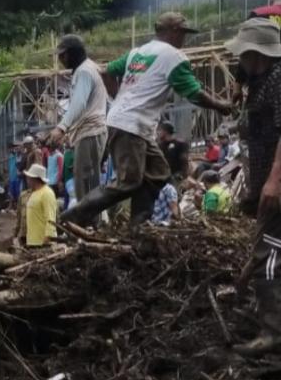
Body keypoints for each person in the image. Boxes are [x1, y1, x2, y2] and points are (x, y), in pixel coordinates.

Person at [61, 12, 232, 228]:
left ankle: (138, 224)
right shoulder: (174, 57)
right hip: (131, 126)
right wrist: (222, 106)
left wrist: (119, 99)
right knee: (129, 182)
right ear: (173, 31)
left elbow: (106, 71)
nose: (184, 40)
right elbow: (195, 93)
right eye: (183, 33)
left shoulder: (138, 52)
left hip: (129, 124)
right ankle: (75, 215)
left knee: (159, 173)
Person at [232, 19, 281, 353]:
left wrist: (275, 180)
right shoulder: (261, 79)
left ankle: (272, 331)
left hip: (277, 183)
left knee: (269, 254)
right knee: (269, 246)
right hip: (266, 181)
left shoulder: (277, 80)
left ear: (255, 53)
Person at [46, 35, 108, 219]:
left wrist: (62, 127)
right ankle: (95, 223)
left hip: (90, 132)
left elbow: (78, 104)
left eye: (63, 55)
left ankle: (91, 225)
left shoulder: (84, 71)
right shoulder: (90, 68)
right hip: (89, 132)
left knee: (86, 185)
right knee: (88, 184)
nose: (60, 59)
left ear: (73, 53)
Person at [23, 164, 58, 247]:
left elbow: (50, 218)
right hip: (32, 241)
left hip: (42, 242)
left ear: (35, 179)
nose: (27, 180)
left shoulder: (47, 193)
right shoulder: (34, 193)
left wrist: (48, 238)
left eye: (29, 177)